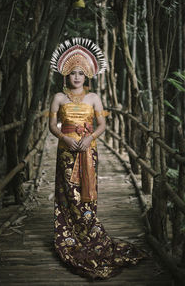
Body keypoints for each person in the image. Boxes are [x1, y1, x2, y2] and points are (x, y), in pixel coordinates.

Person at [49, 38, 145, 280]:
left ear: (88, 75)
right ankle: (69, 234)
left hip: (88, 151)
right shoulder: (59, 97)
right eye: (73, 73)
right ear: (66, 75)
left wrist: (89, 137)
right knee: (68, 192)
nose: (77, 77)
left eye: (81, 73)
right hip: (66, 152)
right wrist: (65, 137)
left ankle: (88, 231)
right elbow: (51, 125)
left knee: (85, 192)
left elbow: (102, 125)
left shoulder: (94, 98)